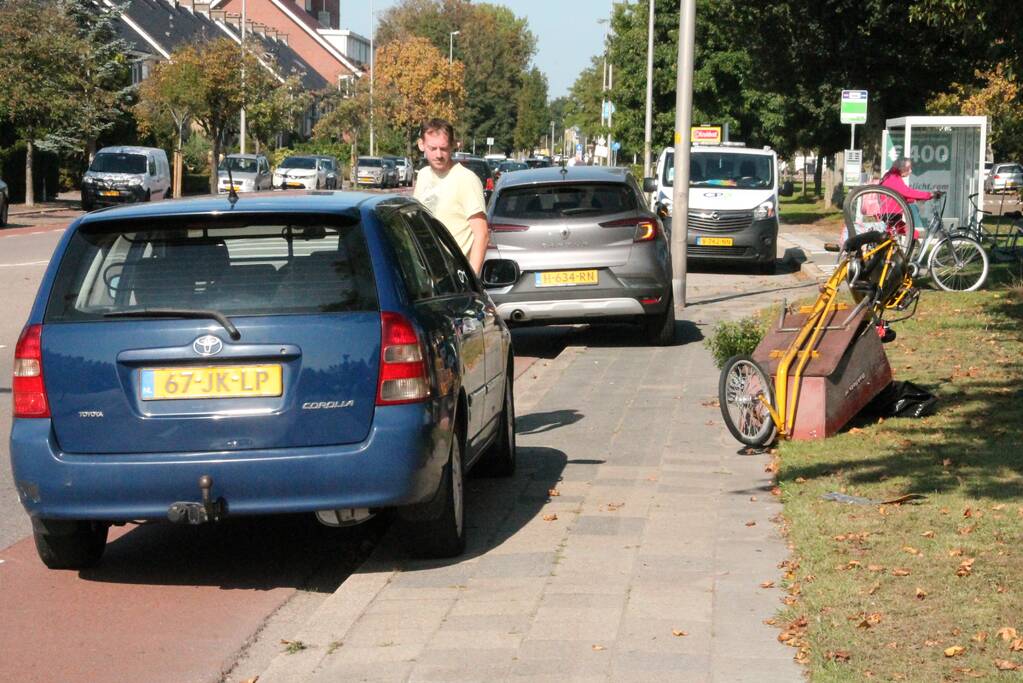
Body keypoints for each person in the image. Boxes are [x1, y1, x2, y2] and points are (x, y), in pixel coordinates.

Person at [414, 118, 489, 273]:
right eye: (432, 148)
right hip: (426, 275)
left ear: (453, 145)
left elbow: (482, 235)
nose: (438, 154)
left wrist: (472, 282)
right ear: (421, 145)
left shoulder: (466, 179)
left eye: (444, 148)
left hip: (455, 279)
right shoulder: (423, 175)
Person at [879, 157, 934, 233]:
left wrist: (917, 199)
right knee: (912, 234)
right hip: (891, 215)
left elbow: (901, 195)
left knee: (913, 234)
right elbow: (906, 192)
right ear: (902, 168)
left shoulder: (890, 176)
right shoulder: (893, 177)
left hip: (890, 215)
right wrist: (928, 195)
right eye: (909, 168)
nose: (910, 171)